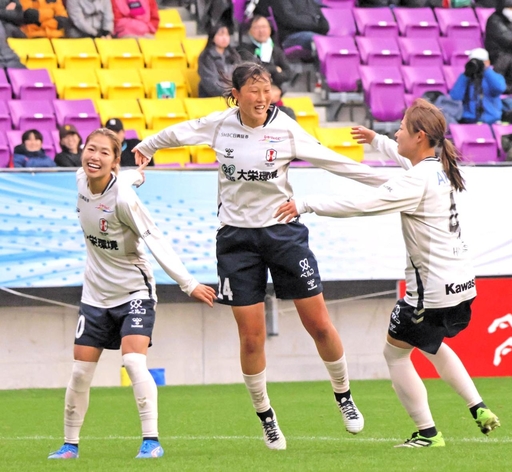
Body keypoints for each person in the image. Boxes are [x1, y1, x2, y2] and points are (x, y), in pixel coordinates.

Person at [132, 61, 391, 450]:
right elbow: (180, 132)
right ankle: (267, 419)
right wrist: (148, 145)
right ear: (236, 94)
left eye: (266, 89)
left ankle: (344, 396)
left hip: (283, 233)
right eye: (253, 90)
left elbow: (336, 162)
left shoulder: (285, 128)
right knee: (251, 339)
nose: (261, 97)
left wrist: (394, 182)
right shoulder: (220, 125)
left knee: (319, 324)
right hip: (236, 240)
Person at [274, 99, 501, 447]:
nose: (396, 133)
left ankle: (428, 433)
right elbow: (406, 160)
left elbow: (362, 205)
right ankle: (478, 407)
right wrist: (376, 140)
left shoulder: (416, 181)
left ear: (420, 136)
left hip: (431, 292)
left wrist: (307, 203)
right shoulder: (439, 166)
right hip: (463, 285)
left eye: (401, 128)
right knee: (429, 343)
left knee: (395, 354)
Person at [47, 128, 216, 460]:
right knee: (80, 372)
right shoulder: (80, 180)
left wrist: (188, 284)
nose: (94, 156)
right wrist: (137, 176)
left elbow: (156, 240)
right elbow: (123, 178)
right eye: (91, 149)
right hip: (95, 295)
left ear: (114, 161)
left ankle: (151, 442)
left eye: (104, 152)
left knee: (133, 362)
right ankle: (69, 446)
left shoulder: (124, 200)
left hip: (133, 291)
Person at [253, 0, 328, 60]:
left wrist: (322, 26)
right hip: (289, 36)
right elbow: (290, 20)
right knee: (316, 40)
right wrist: (315, 25)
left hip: (310, 31)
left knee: (327, 41)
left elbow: (322, 20)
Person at [449, 48, 506, 124]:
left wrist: (486, 70)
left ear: (488, 62)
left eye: (480, 62)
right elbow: (455, 97)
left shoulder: (494, 77)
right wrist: (465, 75)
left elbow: (499, 88)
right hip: (469, 122)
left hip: (491, 121)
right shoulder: (466, 77)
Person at [237, 15, 291, 88]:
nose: (261, 30)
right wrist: (275, 69)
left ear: (270, 29)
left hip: (274, 89)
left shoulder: (276, 50)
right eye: (257, 27)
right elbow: (253, 69)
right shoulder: (244, 49)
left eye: (264, 27)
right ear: (249, 31)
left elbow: (288, 73)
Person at [198, 22, 241, 98]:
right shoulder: (206, 57)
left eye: (227, 35)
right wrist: (230, 92)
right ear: (212, 38)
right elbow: (210, 83)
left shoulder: (234, 54)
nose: (224, 38)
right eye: (221, 35)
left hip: (233, 95)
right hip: (212, 97)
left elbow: (240, 76)